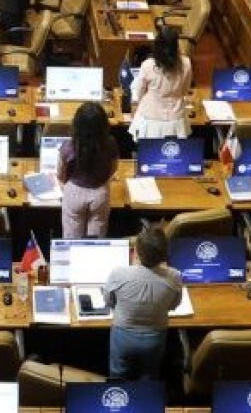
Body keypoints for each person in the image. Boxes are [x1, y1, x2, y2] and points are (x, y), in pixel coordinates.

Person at [104, 223, 183, 379]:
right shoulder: (174, 277)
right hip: (155, 340)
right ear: (164, 255)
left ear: (135, 252)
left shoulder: (118, 274)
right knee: (149, 378)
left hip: (123, 338)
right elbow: (173, 305)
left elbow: (109, 301)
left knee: (118, 379)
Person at [56, 101, 119, 238]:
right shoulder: (111, 144)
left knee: (72, 240)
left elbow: (60, 175)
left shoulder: (68, 147)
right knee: (95, 241)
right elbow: (113, 169)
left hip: (74, 194)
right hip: (100, 194)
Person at [129, 26, 193, 140]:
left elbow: (139, 93)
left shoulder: (147, 65)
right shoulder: (186, 63)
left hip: (149, 120)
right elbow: (185, 90)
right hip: (176, 121)